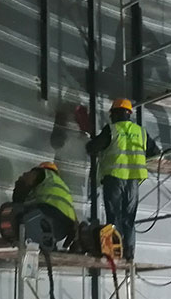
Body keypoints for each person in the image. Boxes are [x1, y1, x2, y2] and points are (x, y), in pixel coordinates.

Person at [85, 98, 161, 261]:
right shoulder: (140, 131)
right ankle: (129, 253)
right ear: (129, 114)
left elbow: (93, 148)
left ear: (113, 114)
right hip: (133, 181)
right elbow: (155, 152)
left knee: (113, 216)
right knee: (129, 218)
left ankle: (113, 252)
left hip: (114, 178)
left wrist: (89, 143)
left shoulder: (111, 130)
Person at [11, 161, 78, 249]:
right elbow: (75, 221)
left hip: (49, 213)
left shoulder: (44, 173)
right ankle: (49, 246)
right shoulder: (62, 186)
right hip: (63, 229)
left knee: (20, 216)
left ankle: (20, 242)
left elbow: (27, 180)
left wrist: (18, 196)